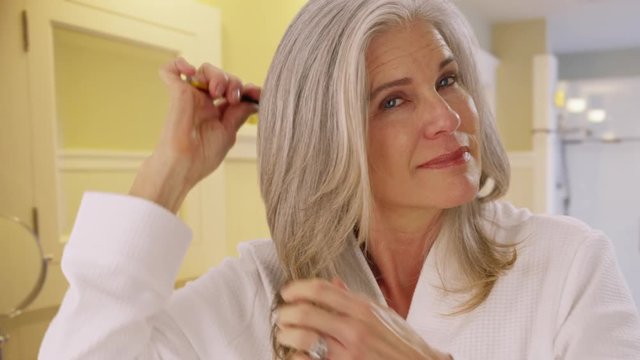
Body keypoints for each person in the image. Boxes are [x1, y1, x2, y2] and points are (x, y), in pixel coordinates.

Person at [39, 0, 640, 359]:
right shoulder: (262, 290)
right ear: (329, 137)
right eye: (393, 102)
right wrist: (169, 171)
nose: (446, 117)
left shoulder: (569, 266)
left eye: (448, 80)